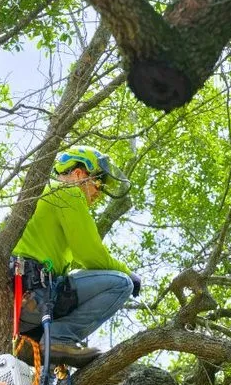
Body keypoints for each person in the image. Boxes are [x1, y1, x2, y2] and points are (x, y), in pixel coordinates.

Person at [11, 145, 141, 367]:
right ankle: (60, 338)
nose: (98, 193)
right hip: (36, 293)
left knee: (44, 379)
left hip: (23, 296)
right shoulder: (66, 191)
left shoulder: (43, 193)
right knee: (121, 284)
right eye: (98, 183)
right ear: (80, 174)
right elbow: (89, 254)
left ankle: (49, 354)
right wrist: (129, 272)